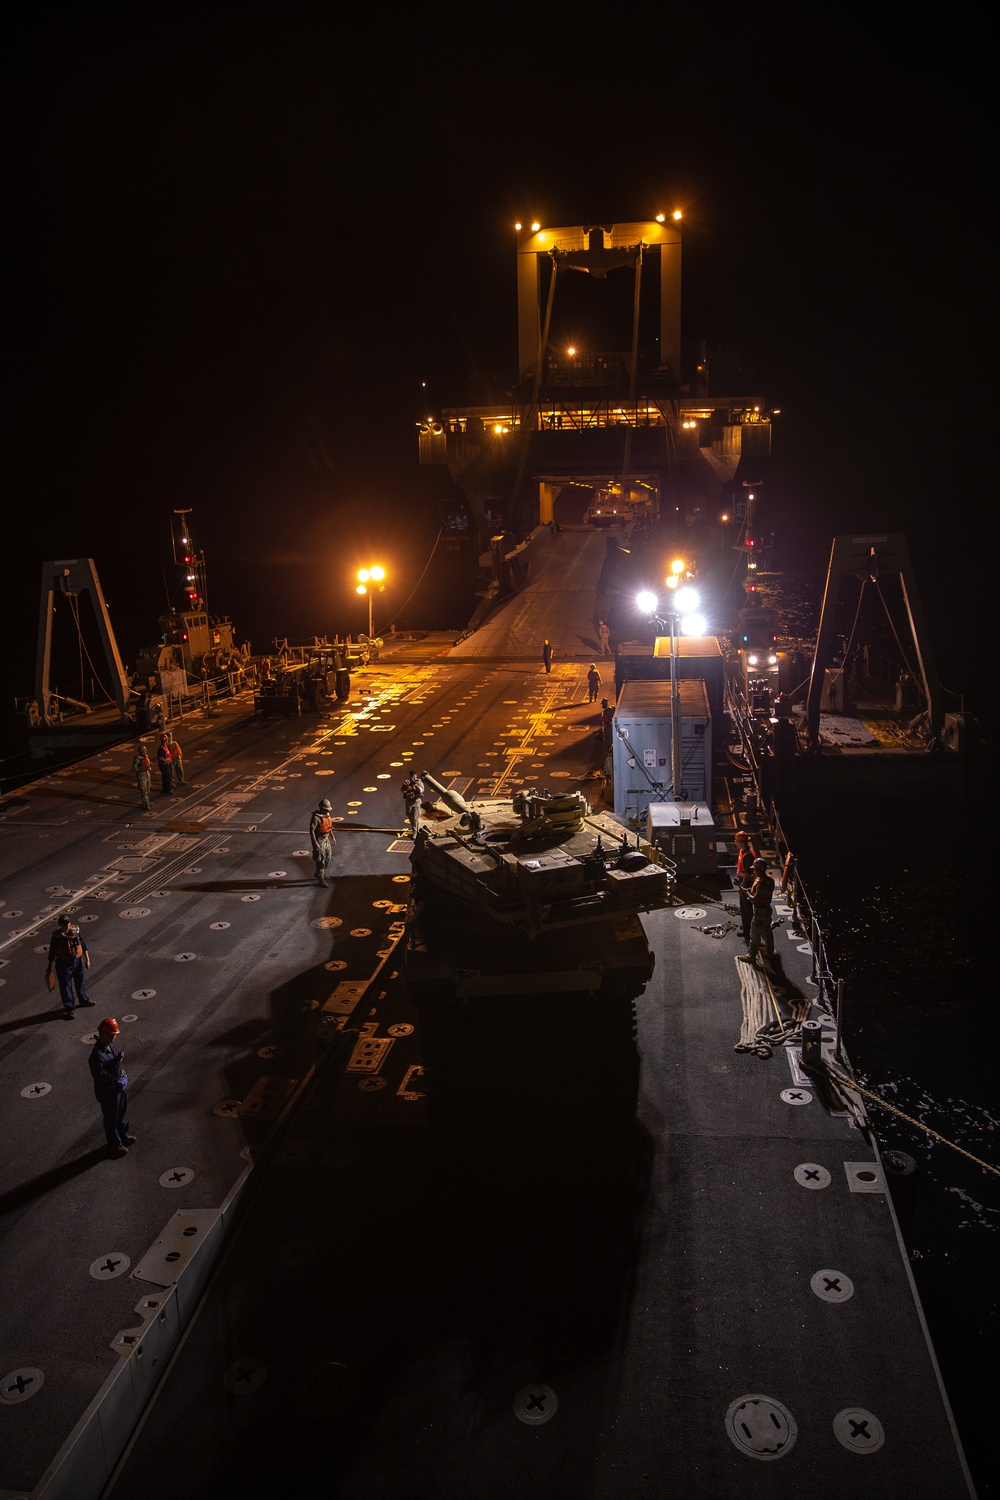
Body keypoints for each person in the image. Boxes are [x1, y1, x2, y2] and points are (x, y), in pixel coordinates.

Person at [89, 1018, 135, 1156]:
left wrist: (119, 1068)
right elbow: (102, 1076)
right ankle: (115, 1145)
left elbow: (113, 1063)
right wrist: (116, 1064)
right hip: (108, 1092)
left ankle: (123, 1134)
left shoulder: (109, 1045)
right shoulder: (96, 1056)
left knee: (121, 1112)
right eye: (110, 1035)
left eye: (114, 1035)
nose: (113, 1037)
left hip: (117, 1087)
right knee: (111, 1118)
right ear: (102, 1034)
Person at [46, 914, 94, 1018]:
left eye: (68, 923)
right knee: (66, 987)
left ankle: (83, 1000)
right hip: (63, 964)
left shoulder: (76, 932)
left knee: (80, 982)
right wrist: (49, 966)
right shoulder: (56, 937)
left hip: (77, 961)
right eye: (64, 924)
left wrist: (87, 960)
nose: (66, 925)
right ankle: (70, 1009)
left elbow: (83, 946)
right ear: (60, 925)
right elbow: (52, 952)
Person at [740, 857, 776, 965]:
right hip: (767, 910)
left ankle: (752, 955)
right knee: (767, 930)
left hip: (760, 911)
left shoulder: (762, 884)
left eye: (755, 869)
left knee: (754, 933)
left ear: (760, 870)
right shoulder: (770, 880)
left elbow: (755, 900)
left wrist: (746, 893)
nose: (754, 871)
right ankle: (769, 951)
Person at [734, 830, 758, 943]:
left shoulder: (748, 856)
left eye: (737, 841)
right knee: (745, 907)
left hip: (747, 884)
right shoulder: (743, 852)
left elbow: (748, 875)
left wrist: (741, 887)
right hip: (744, 881)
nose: (736, 843)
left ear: (741, 842)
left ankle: (747, 931)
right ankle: (746, 926)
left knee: (746, 908)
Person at [309, 798, 337, 886]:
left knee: (328, 857)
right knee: (321, 859)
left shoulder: (327, 815)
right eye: (326, 809)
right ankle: (321, 879)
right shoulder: (316, 818)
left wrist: (333, 837)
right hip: (319, 840)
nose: (327, 811)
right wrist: (316, 844)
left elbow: (329, 827)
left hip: (326, 839)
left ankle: (319, 873)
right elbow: (312, 831)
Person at [402, 771, 424, 835]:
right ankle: (415, 828)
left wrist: (417, 786)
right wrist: (405, 786)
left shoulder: (419, 781)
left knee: (415, 817)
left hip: (416, 801)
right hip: (409, 801)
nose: (413, 777)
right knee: (409, 815)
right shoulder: (407, 782)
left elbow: (422, 790)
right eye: (412, 775)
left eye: (414, 775)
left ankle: (415, 832)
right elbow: (403, 790)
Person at [132, 740, 152, 811]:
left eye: (145, 750)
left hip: (147, 775)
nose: (145, 752)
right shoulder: (137, 760)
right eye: (143, 751)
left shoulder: (146, 757)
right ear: (141, 751)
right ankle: (146, 804)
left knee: (148, 790)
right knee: (143, 791)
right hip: (142, 776)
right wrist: (141, 768)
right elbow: (134, 768)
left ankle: (147, 801)